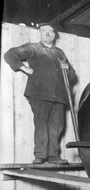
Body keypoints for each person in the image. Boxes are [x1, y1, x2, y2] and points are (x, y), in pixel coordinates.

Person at [4, 23, 76, 165]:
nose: (48, 34)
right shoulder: (33, 48)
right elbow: (9, 54)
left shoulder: (59, 52)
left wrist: (67, 69)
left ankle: (54, 156)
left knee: (57, 126)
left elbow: (72, 76)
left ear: (55, 35)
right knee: (42, 123)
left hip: (58, 95)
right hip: (39, 93)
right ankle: (40, 155)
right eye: (44, 31)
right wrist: (24, 68)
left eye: (51, 31)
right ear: (40, 33)